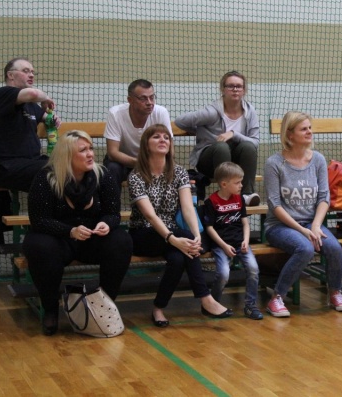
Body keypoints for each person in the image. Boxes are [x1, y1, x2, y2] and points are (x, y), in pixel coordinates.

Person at [22, 130, 132, 336]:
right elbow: (40, 221)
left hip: (91, 238)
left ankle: (104, 305)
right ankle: (50, 309)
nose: (90, 154)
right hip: (59, 238)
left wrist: (106, 224)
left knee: (121, 240)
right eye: (83, 150)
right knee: (39, 245)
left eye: (91, 148)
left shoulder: (103, 175)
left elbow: (112, 214)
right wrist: (70, 231)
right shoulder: (45, 178)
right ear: (67, 156)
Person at [128, 124, 232, 327]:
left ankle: (158, 308)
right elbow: (149, 216)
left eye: (166, 137)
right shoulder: (136, 176)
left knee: (178, 259)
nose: (162, 140)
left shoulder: (179, 172)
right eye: (156, 137)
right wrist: (172, 238)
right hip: (144, 233)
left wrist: (196, 234)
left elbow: (187, 208)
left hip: (174, 234)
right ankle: (205, 298)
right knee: (183, 243)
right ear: (146, 145)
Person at [264, 111, 342, 317]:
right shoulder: (274, 163)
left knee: (334, 248)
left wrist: (315, 226)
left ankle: (335, 292)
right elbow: (275, 204)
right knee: (305, 248)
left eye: (310, 128)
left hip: (311, 223)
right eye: (304, 129)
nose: (309, 132)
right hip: (280, 226)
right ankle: (277, 298)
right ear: (290, 134)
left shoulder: (318, 159)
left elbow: (324, 197)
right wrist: (302, 230)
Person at [0, 57, 60, 264]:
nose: (31, 74)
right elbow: (33, 94)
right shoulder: (2, 94)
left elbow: (45, 117)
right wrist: (45, 97)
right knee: (53, 171)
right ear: (10, 75)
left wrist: (51, 118)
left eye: (33, 71)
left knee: (70, 167)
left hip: (29, 164)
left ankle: (57, 228)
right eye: (25, 71)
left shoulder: (30, 106)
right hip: (3, 167)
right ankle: (45, 231)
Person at [175, 71, 260, 206]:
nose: (235, 89)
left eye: (239, 86)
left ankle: (246, 195)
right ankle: (226, 197)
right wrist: (200, 131)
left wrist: (233, 134)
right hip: (210, 161)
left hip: (234, 162)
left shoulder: (250, 112)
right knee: (222, 147)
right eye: (230, 86)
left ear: (244, 90)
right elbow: (180, 121)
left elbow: (255, 142)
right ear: (223, 89)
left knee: (248, 147)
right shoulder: (212, 112)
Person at [202, 162, 263, 320]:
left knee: (253, 269)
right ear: (224, 184)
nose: (241, 185)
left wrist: (246, 240)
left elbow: (245, 223)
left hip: (240, 243)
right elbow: (209, 228)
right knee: (223, 273)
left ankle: (250, 306)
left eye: (241, 182)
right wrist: (223, 246)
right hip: (221, 245)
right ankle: (213, 304)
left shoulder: (239, 199)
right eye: (237, 183)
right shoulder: (211, 202)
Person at [104, 79, 172, 188]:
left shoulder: (161, 112)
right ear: (130, 100)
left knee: (169, 168)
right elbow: (112, 152)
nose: (149, 102)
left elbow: (170, 148)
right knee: (112, 168)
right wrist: (142, 163)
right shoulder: (116, 113)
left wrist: (155, 163)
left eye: (152, 97)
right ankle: (112, 200)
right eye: (143, 98)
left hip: (152, 161)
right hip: (123, 163)